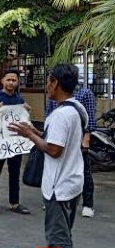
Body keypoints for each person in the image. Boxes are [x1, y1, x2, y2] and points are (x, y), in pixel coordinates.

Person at [9, 64, 88, 248]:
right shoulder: (77, 109)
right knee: (64, 233)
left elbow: (54, 149)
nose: (46, 87)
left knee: (56, 236)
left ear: (56, 83)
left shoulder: (62, 114)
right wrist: (36, 131)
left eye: (48, 82)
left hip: (59, 184)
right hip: (72, 180)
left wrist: (30, 135)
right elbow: (56, 140)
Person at [45, 85, 96, 218]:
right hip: (56, 137)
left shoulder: (85, 93)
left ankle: (88, 204)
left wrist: (86, 138)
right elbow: (48, 114)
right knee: (55, 170)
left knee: (84, 171)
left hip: (76, 140)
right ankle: (53, 197)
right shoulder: (53, 95)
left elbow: (89, 118)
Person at [0, 70, 31, 216]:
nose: (11, 83)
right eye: (9, 80)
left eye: (14, 80)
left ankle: (14, 203)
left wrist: (27, 111)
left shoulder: (19, 99)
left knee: (15, 172)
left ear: (18, 82)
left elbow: (24, 120)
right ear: (3, 81)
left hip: (14, 142)